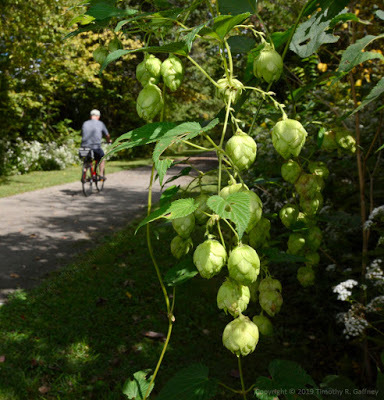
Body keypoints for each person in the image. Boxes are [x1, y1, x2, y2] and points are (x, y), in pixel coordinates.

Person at [81, 109, 111, 178]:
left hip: (84, 147)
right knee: (102, 158)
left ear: (90, 116)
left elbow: (82, 134)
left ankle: (84, 174)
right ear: (98, 116)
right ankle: (101, 175)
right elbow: (107, 135)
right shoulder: (100, 123)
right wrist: (109, 141)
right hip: (95, 147)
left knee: (86, 160)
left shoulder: (85, 123)